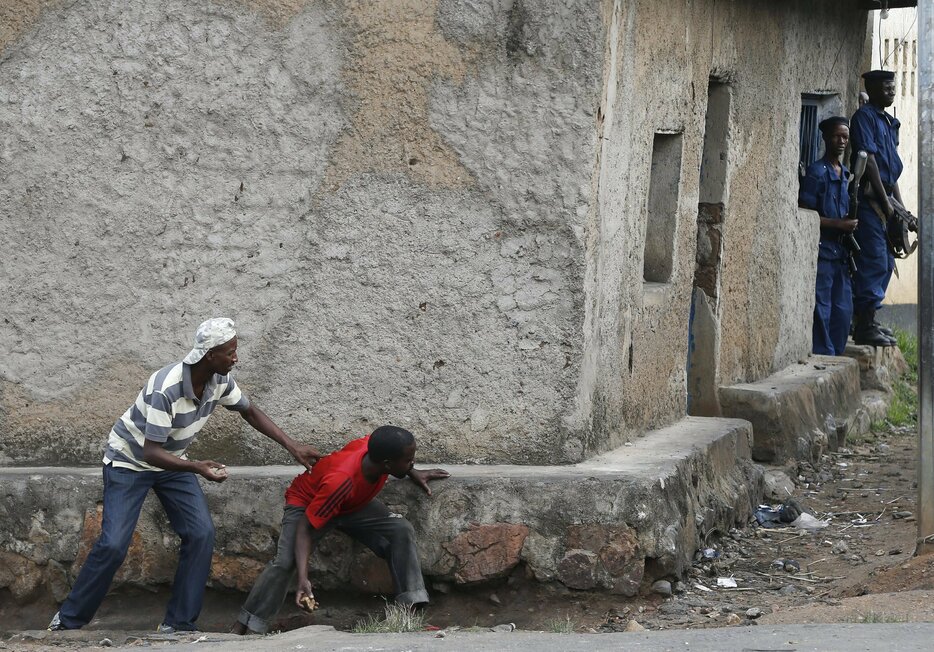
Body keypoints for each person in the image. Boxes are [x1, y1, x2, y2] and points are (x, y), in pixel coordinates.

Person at [48, 318, 322, 633]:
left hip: (172, 463)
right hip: (130, 462)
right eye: (230, 352)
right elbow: (150, 452)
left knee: (201, 533)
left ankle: (178, 624)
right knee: (113, 545)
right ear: (209, 355)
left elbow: (250, 411)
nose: (236, 358)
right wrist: (198, 467)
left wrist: (292, 446)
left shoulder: (219, 380)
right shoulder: (166, 387)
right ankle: (68, 621)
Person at [232, 425, 449, 635]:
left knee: (400, 529)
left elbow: (397, 461)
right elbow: (305, 528)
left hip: (350, 504)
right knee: (285, 561)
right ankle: (247, 624)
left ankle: (408, 613)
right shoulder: (342, 481)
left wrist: (413, 471)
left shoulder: (372, 446)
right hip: (309, 505)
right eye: (409, 461)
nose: (413, 463)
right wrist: (303, 579)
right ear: (386, 464)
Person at [848, 69, 903, 347]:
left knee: (888, 261)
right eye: (886, 87)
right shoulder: (864, 118)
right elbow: (869, 163)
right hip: (870, 201)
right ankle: (863, 325)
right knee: (874, 261)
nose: (891, 91)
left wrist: (900, 211)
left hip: (885, 201)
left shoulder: (888, 122)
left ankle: (870, 319)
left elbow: (891, 172)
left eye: (893, 87)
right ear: (872, 88)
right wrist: (886, 204)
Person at [799, 116, 856, 356]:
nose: (841, 141)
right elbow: (806, 215)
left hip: (841, 255)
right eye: (836, 136)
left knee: (843, 311)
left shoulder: (846, 174)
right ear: (825, 138)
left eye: (845, 136)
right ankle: (824, 355)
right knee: (822, 308)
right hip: (823, 251)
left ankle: (836, 354)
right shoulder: (816, 173)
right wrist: (839, 225)